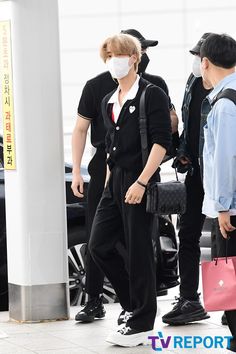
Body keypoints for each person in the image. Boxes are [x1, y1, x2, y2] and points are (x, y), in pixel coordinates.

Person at [71, 29, 178, 323]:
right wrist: (101, 175)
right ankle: (127, 303)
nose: (113, 61)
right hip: (110, 175)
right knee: (98, 243)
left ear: (134, 57)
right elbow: (105, 141)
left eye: (119, 55)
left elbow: (163, 140)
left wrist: (142, 181)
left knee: (140, 246)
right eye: (110, 56)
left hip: (140, 175)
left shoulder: (152, 90)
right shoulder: (105, 95)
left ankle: (141, 315)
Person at [162, 33, 213, 326]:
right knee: (188, 234)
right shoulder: (193, 83)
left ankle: (227, 301)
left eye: (199, 55)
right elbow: (188, 122)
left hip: (220, 175)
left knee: (224, 240)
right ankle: (190, 299)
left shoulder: (228, 89)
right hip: (194, 171)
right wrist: (181, 150)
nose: (196, 61)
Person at [200, 33, 236, 353]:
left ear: (206, 63)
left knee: (230, 277)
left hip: (232, 210)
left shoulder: (224, 103)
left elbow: (225, 157)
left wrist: (222, 206)